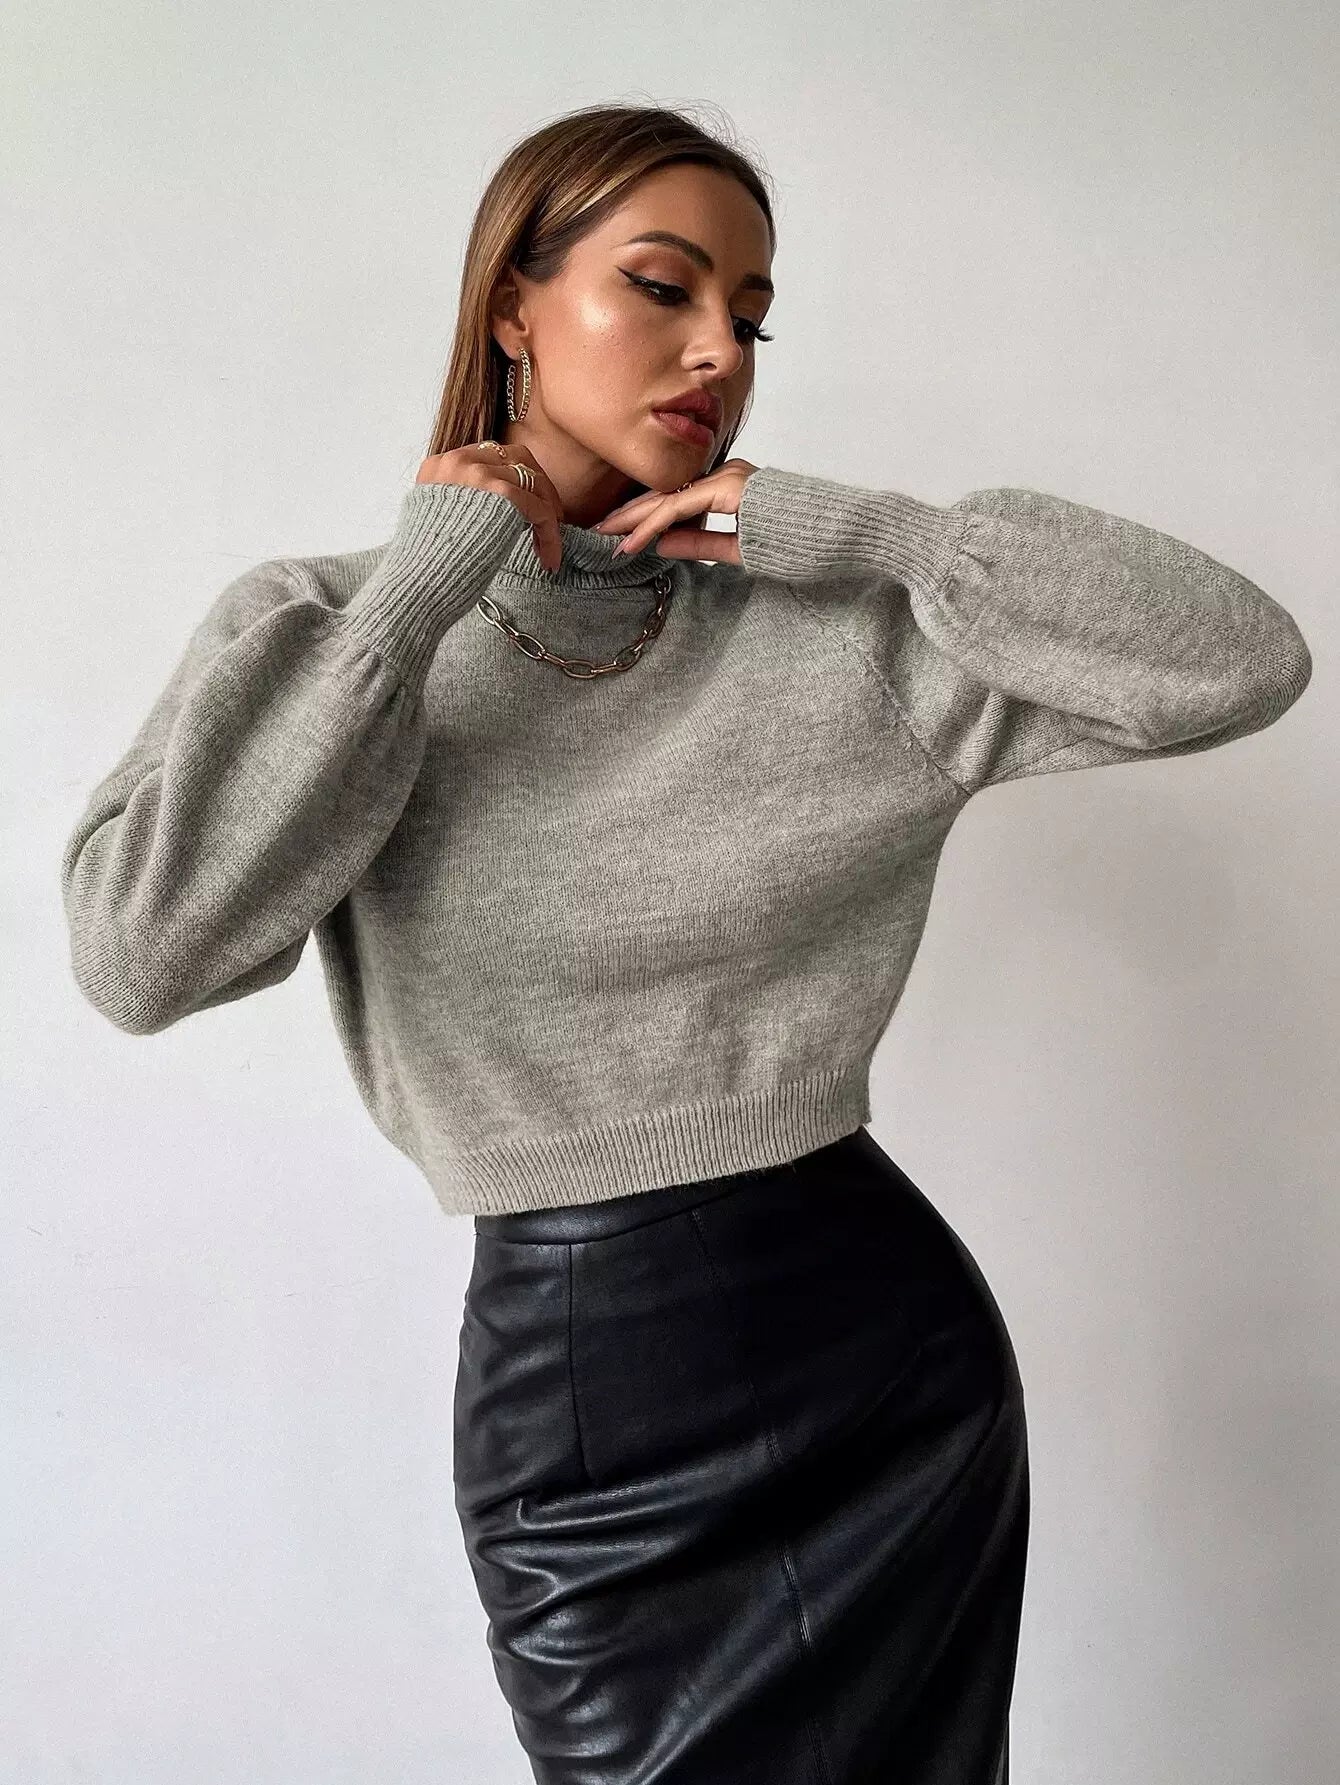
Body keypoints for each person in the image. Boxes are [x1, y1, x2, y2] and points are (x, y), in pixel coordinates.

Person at [59, 102, 1312, 1785]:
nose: (718, 347)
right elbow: (142, 953)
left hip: (878, 1369)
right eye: (663, 286)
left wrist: (881, 537)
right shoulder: (330, 631)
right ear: (514, 306)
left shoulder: (845, 636)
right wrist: (416, 605)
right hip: (584, 1404)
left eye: (751, 314)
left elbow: (1241, 659)